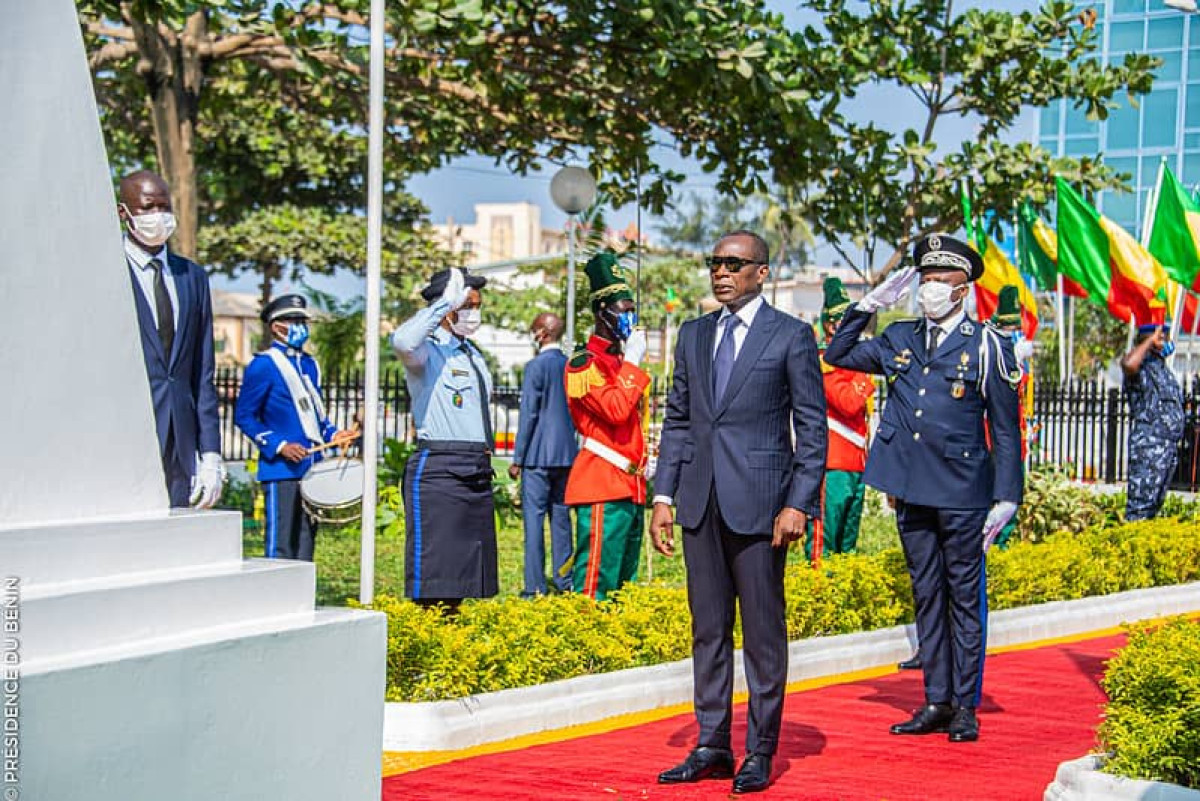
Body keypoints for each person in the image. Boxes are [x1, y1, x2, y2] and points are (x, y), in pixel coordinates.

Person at [824, 233, 1023, 744]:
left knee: (963, 597)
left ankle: (965, 705)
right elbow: (839, 352)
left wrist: (1008, 495)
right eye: (925, 279)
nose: (929, 288)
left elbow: (1004, 427)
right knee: (927, 595)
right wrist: (867, 305)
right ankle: (935, 698)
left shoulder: (986, 346)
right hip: (910, 487)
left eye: (940, 280)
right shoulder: (901, 337)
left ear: (962, 288)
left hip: (962, 490)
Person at [651, 230, 827, 794]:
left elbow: (813, 427)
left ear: (761, 272)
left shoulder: (791, 336)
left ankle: (760, 750)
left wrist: (798, 502)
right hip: (700, 503)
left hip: (761, 508)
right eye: (715, 263)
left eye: (734, 263)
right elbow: (678, 419)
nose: (721, 272)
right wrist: (663, 495)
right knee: (708, 630)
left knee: (763, 634)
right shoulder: (694, 335)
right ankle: (712, 744)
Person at [392, 267, 499, 608]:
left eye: (477, 305)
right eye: (467, 305)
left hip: (476, 469)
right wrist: (441, 305)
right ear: (448, 307)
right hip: (441, 468)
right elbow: (402, 341)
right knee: (437, 577)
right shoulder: (427, 352)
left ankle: (451, 643)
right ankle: (431, 641)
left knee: (465, 575)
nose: (474, 313)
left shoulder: (471, 353)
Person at [119, 169, 225, 508]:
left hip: (180, 438)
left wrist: (210, 453)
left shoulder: (191, 276)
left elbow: (202, 372)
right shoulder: (109, 272)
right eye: (148, 208)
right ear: (125, 213)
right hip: (124, 435)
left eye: (164, 207)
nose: (157, 217)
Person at [235, 294, 355, 560]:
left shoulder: (310, 365)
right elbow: (245, 416)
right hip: (282, 470)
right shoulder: (264, 365)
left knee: (305, 543)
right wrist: (279, 445)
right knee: (280, 544)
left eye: (304, 321)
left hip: (312, 469)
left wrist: (335, 434)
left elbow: (316, 418)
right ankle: (274, 598)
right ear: (277, 326)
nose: (303, 326)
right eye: (296, 320)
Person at [562, 252, 651, 601]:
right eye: (622, 309)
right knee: (596, 584)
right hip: (602, 483)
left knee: (623, 587)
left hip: (630, 485)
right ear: (602, 313)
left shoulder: (619, 360)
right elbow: (614, 409)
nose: (629, 316)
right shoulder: (584, 364)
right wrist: (632, 360)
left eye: (632, 309)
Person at [510, 312, 578, 596]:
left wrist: (518, 458)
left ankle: (535, 586)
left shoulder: (535, 367)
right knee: (562, 522)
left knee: (534, 523)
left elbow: (529, 414)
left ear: (542, 333)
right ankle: (565, 581)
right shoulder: (570, 367)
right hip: (566, 455)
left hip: (537, 456)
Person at [808, 276, 876, 560]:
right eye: (840, 323)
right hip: (833, 464)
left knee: (848, 545)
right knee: (825, 544)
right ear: (828, 325)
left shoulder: (855, 360)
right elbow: (848, 403)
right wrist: (865, 374)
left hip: (857, 463)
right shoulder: (824, 362)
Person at [986, 285, 1035, 549]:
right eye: (1008, 330)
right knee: (996, 503)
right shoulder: (994, 355)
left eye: (1015, 330)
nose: (1013, 335)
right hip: (995, 443)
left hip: (1016, 443)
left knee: (1012, 503)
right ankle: (993, 549)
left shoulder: (1016, 364)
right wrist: (1013, 360)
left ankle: (1002, 550)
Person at [1121, 322, 1184, 521]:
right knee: (1139, 509)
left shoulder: (1163, 370)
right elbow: (1128, 364)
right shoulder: (1140, 368)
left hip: (1167, 449)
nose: (1167, 342)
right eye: (1162, 338)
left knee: (1153, 507)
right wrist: (1149, 342)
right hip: (1149, 448)